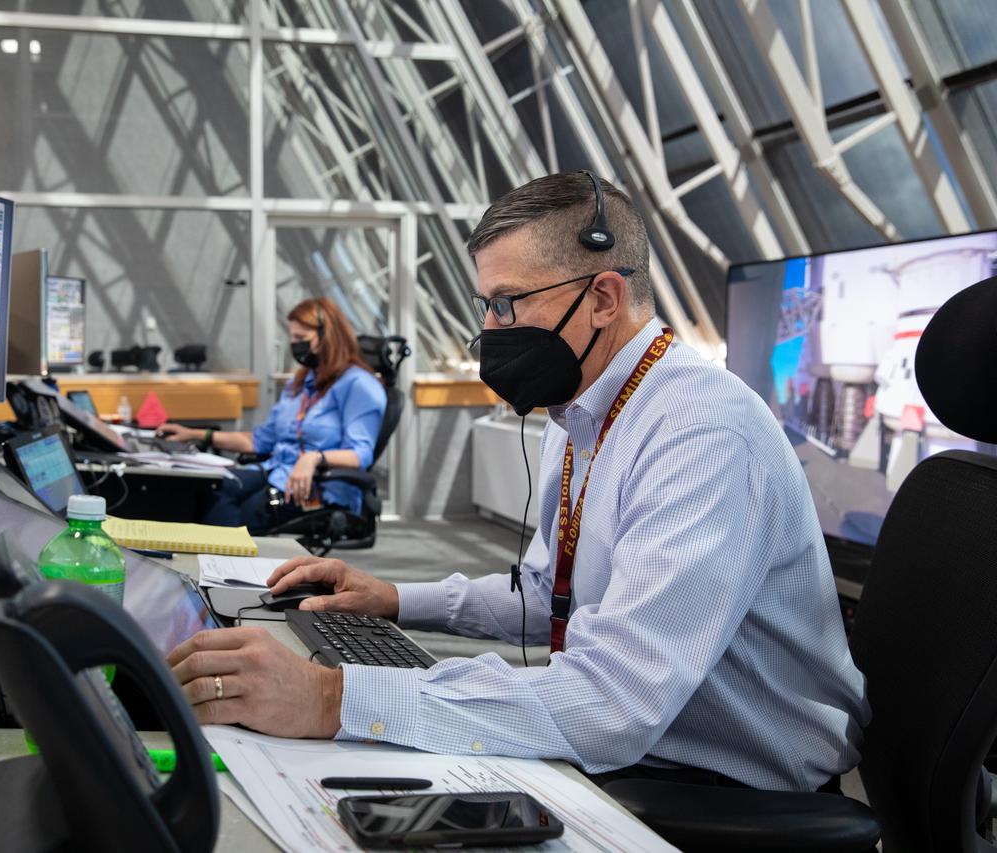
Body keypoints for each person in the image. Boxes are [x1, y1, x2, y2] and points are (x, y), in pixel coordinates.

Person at [166, 172, 869, 793]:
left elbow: (610, 705)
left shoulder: (703, 433)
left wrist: (330, 697)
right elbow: (548, 592)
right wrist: (392, 599)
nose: (488, 329)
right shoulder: (581, 407)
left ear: (603, 297)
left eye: (506, 303)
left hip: (722, 786)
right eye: (485, 305)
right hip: (641, 746)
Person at [157, 298, 386, 534]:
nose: (295, 345)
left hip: (317, 488)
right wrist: (195, 434)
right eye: (292, 338)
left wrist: (313, 458)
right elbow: (259, 441)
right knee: (208, 489)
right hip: (275, 472)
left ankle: (228, 567)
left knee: (229, 514)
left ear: (327, 336)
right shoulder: (300, 383)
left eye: (301, 339)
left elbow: (361, 454)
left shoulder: (359, 386)